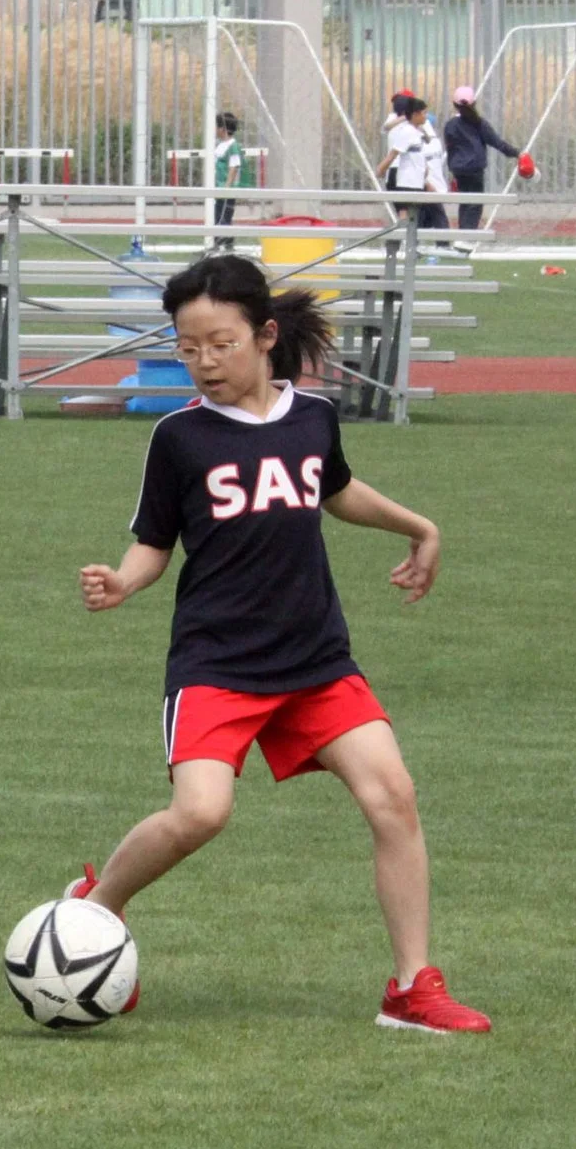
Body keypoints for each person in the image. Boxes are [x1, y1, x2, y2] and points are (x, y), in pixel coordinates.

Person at [69, 253, 489, 1035]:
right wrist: (125, 583)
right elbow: (154, 543)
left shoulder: (312, 417)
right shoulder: (179, 438)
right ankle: (94, 910)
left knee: (392, 796)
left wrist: (418, 526)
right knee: (200, 815)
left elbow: (335, 490)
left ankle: (411, 988)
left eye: (220, 343)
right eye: (187, 347)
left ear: (265, 336)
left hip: (315, 660)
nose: (203, 363)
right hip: (218, 663)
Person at [441, 86, 520, 237]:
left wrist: (452, 169)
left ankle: (462, 233)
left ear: (454, 104)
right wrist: (517, 153)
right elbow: (497, 143)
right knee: (475, 203)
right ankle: (468, 235)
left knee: (465, 202)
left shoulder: (450, 125)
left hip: (458, 169)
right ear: (474, 103)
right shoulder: (479, 123)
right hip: (475, 169)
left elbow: (450, 147)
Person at [376, 97, 446, 233]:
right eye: (424, 113)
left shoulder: (416, 131)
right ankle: (396, 243)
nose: (426, 116)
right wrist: (381, 169)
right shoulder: (406, 132)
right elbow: (393, 154)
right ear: (415, 115)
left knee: (416, 218)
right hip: (406, 182)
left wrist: (425, 171)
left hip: (417, 182)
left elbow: (419, 153)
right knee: (406, 218)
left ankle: (410, 246)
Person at [208, 111, 245, 248]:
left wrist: (227, 188)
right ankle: (219, 247)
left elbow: (234, 166)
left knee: (223, 220)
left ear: (222, 129)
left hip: (225, 191)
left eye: (216, 126)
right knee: (217, 218)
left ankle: (226, 248)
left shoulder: (232, 145)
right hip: (218, 189)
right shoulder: (220, 144)